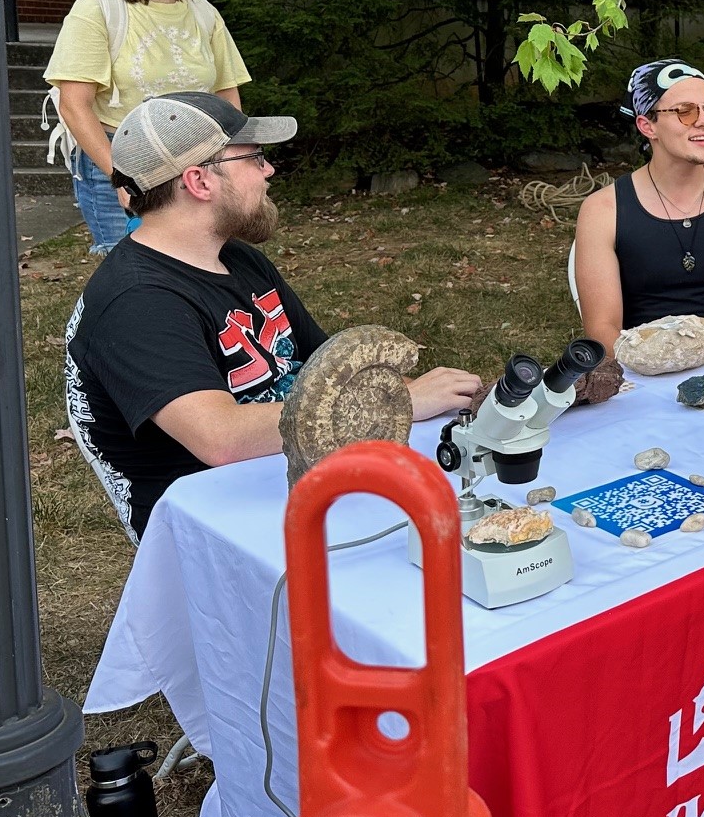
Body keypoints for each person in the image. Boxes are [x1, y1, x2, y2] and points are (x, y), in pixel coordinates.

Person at [63, 94, 480, 541]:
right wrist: (394, 404)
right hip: (215, 528)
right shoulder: (136, 302)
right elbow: (221, 438)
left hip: (297, 472)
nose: (269, 171)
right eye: (254, 158)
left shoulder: (236, 258)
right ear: (199, 181)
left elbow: (326, 364)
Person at [44, 0, 252, 256]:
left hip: (196, 159)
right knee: (138, 273)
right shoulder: (98, 10)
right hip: (121, 157)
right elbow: (73, 105)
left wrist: (230, 159)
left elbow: (226, 97)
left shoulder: (203, 13)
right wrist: (121, 177)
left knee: (203, 260)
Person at [574, 60, 704, 348]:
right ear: (648, 126)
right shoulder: (603, 211)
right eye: (685, 111)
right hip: (644, 372)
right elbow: (603, 332)